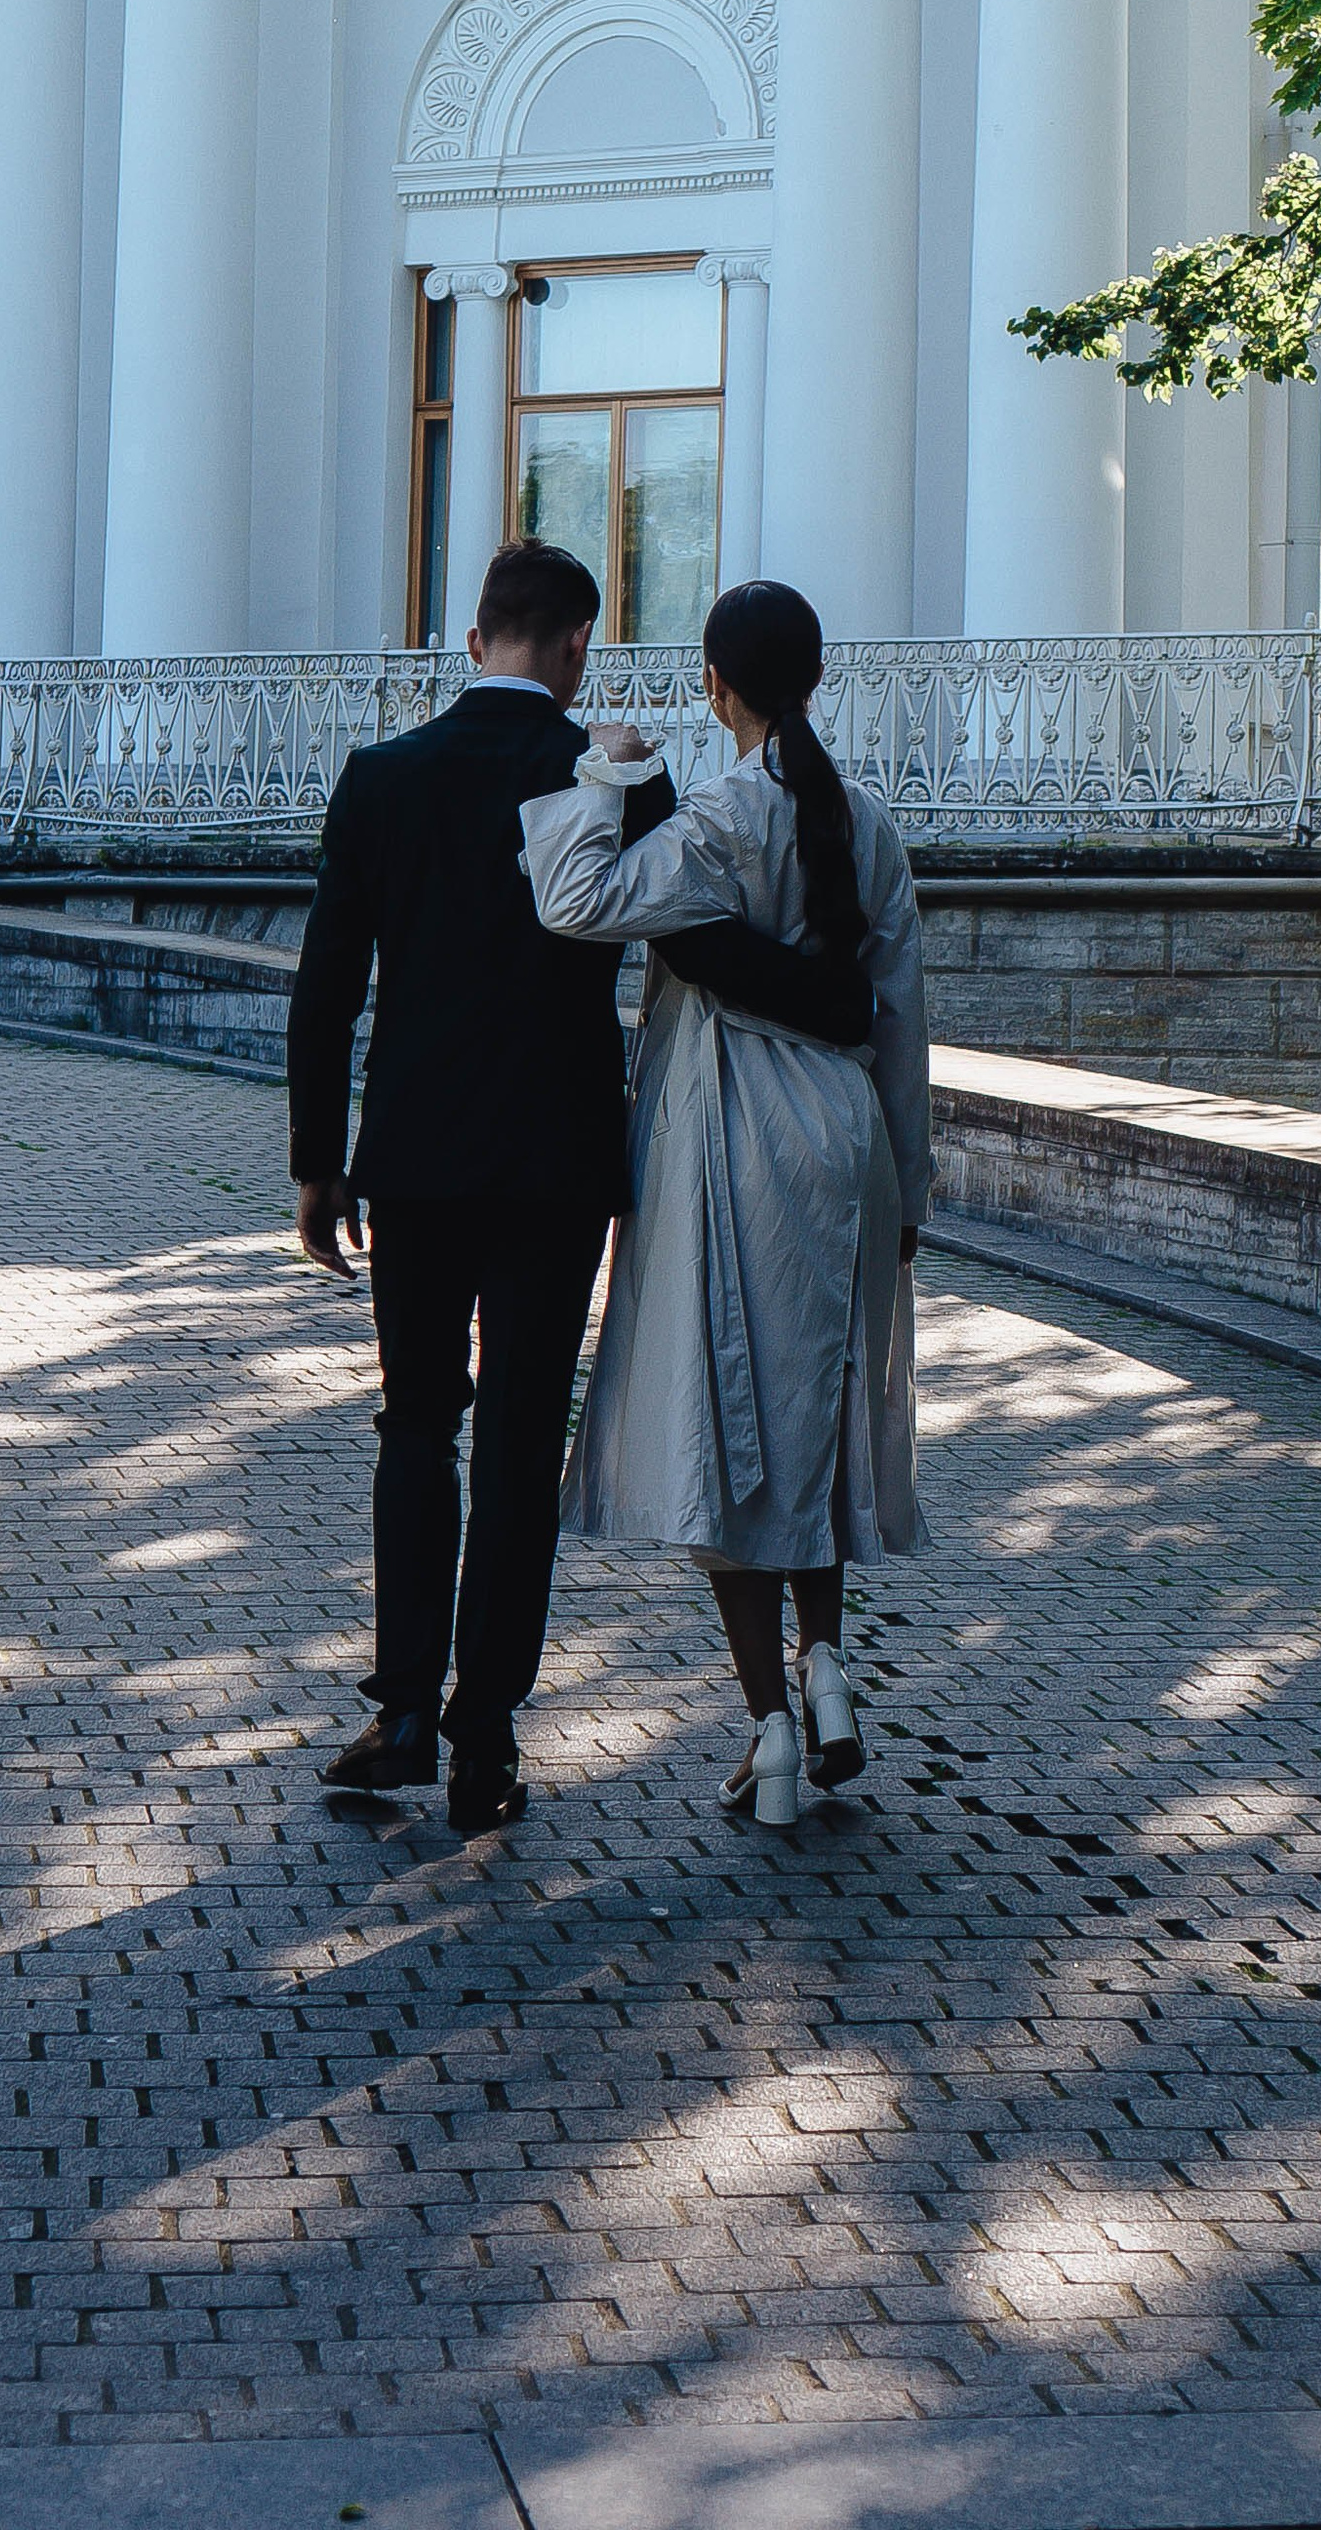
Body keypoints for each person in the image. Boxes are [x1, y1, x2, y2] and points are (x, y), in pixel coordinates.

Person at [287, 537, 867, 1834]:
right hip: (556, 1173)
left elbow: (328, 987)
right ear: (572, 649)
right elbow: (697, 947)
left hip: (420, 1165)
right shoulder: (609, 775)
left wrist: (318, 1164)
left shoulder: (383, 780)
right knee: (515, 1453)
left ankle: (396, 1709)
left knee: (413, 1427)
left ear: (475, 636)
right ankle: (483, 1737)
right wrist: (839, 1011)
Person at [519, 577, 931, 1827]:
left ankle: (771, 1729)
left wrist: (602, 775)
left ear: (718, 685)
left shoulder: (714, 819)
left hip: (733, 1134)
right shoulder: (864, 822)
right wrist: (907, 1182)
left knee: (726, 1430)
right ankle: (829, 1669)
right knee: (818, 1420)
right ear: (811, 678)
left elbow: (575, 901)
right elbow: (904, 1021)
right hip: (846, 1137)